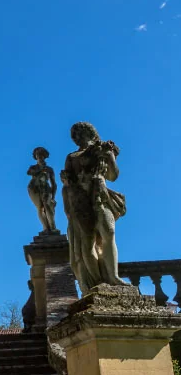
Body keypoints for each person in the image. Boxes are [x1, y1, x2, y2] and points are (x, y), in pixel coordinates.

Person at [61, 122, 127, 294]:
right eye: (74, 135)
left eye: (79, 133)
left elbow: (113, 176)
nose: (77, 137)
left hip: (100, 195)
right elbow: (67, 185)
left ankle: (113, 276)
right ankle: (97, 282)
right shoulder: (71, 157)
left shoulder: (100, 149)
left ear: (90, 132)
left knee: (109, 230)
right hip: (80, 202)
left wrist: (110, 155)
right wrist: (68, 205)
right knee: (87, 243)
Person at [27, 147, 57, 233]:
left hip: (45, 189)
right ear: (35, 157)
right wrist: (40, 169)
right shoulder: (33, 167)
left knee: (47, 206)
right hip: (34, 189)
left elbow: (54, 184)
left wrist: (53, 197)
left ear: (44, 156)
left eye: (41, 155)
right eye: (37, 155)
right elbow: (29, 172)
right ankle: (45, 227)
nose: (39, 157)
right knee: (39, 208)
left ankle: (52, 227)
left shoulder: (49, 169)